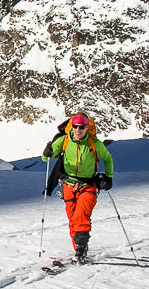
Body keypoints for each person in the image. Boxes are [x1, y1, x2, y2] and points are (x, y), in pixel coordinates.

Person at [41, 112, 114, 262]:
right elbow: (46, 157)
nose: (78, 130)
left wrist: (109, 177)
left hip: (88, 184)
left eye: (81, 127)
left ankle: (80, 251)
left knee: (81, 216)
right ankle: (79, 248)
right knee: (73, 218)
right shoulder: (64, 140)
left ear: (87, 128)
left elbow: (107, 158)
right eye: (75, 126)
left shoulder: (94, 143)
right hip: (68, 185)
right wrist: (47, 152)